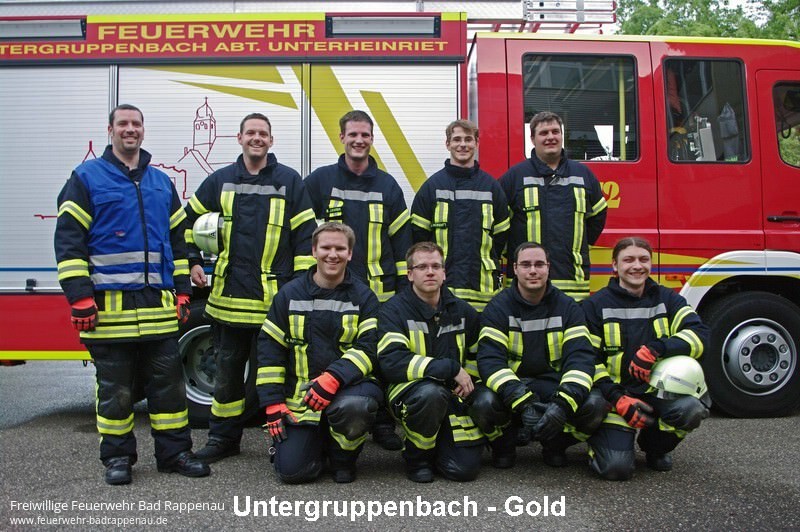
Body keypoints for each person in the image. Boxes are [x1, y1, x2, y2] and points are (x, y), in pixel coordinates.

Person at [54, 104, 210, 485]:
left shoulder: (160, 183)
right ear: (110, 130)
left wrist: (182, 290)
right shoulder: (86, 178)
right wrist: (79, 297)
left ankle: (175, 454)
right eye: (122, 123)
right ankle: (118, 458)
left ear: (143, 130)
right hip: (110, 313)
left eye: (136, 124)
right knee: (116, 392)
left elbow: (178, 241)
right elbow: (69, 241)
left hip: (158, 310)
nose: (130, 129)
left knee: (169, 390)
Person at [184, 113, 317, 464]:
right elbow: (186, 221)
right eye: (251, 133)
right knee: (227, 377)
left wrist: (298, 290)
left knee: (278, 378)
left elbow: (306, 238)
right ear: (239, 138)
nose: (257, 138)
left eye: (263, 133)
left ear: (271, 141)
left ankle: (285, 441)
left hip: (274, 305)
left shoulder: (289, 181)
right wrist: (192, 261)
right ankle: (222, 439)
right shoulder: (221, 181)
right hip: (227, 302)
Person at [305, 109, 410, 450]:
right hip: (333, 293)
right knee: (336, 352)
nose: (359, 140)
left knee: (381, 358)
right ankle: (332, 416)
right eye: (353, 134)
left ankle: (382, 423)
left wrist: (404, 289)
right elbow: (303, 232)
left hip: (380, 292)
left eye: (365, 135)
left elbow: (402, 241)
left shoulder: (387, 185)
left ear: (372, 139)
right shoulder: (320, 181)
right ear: (341, 138)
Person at [256, 222, 383, 484]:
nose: (332, 255)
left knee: (356, 407)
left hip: (347, 390)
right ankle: (317, 442)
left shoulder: (364, 297)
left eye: (340, 248)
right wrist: (273, 402)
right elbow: (270, 349)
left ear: (350, 253)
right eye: (326, 248)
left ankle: (343, 459)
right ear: (314, 251)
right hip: (301, 398)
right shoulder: (289, 295)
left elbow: (369, 347)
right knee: (292, 472)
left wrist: (333, 378)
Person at [582, 237, 710, 479]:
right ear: (615, 265)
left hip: (656, 393)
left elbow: (700, 335)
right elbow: (587, 359)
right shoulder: (595, 305)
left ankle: (655, 447)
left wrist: (657, 348)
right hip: (616, 398)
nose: (637, 266)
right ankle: (601, 444)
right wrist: (616, 397)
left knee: (691, 409)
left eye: (643, 259)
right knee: (616, 469)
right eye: (628, 260)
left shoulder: (667, 299)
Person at [377, 242, 505, 482]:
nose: (430, 272)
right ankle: (417, 458)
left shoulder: (462, 311)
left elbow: (479, 355)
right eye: (422, 267)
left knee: (463, 471)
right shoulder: (393, 312)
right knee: (431, 395)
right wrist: (450, 368)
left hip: (455, 396)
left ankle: (475, 444)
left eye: (436, 266)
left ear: (444, 273)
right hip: (412, 394)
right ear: (410, 274)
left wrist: (468, 381)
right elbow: (392, 362)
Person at [477, 242, 607, 468]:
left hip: (552, 386)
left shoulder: (568, 308)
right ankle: (504, 444)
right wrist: (523, 402)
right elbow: (490, 362)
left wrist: (563, 405)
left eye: (539, 264)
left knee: (595, 404)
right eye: (526, 265)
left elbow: (581, 359)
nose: (533, 270)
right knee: (483, 403)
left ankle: (556, 444)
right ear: (515, 269)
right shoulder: (498, 308)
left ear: (548, 267)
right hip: (514, 387)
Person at [500, 111, 607, 302]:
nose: (550, 137)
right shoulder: (514, 177)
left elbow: (597, 217)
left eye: (555, 131)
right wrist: (515, 253)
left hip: (573, 283)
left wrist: (577, 248)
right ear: (532, 139)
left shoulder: (583, 175)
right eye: (544, 133)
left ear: (562, 136)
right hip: (527, 286)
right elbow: (499, 226)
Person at [410, 120, 509, 312]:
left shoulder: (492, 188)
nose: (462, 144)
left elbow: (500, 239)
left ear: (476, 143)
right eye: (456, 139)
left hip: (483, 294)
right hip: (441, 293)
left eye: (468, 139)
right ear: (447, 144)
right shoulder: (432, 187)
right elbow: (418, 240)